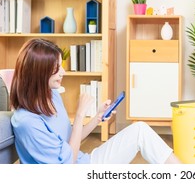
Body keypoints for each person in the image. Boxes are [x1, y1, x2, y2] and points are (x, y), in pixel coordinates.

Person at [10, 38, 181, 164]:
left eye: (61, 66)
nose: (63, 72)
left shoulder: (51, 96)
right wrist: (79, 115)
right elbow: (66, 166)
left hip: (86, 162)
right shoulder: (27, 122)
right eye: (56, 68)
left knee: (140, 130)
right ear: (39, 73)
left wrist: (97, 118)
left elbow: (71, 140)